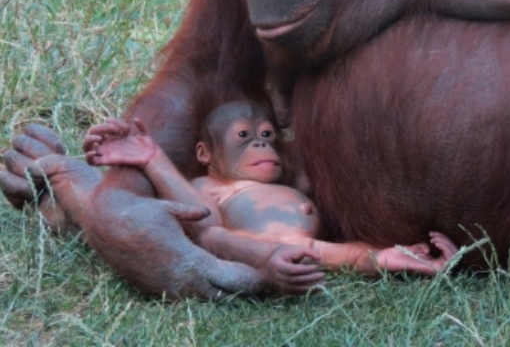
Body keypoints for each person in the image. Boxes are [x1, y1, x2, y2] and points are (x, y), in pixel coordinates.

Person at [84, 100, 456, 282]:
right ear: (205, 154)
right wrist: (153, 159)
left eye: (266, 136)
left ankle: (407, 260)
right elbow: (202, 223)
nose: (261, 146)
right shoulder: (212, 184)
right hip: (251, 249)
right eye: (243, 137)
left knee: (368, 257)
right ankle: (265, 269)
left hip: (312, 250)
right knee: (212, 233)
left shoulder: (289, 179)